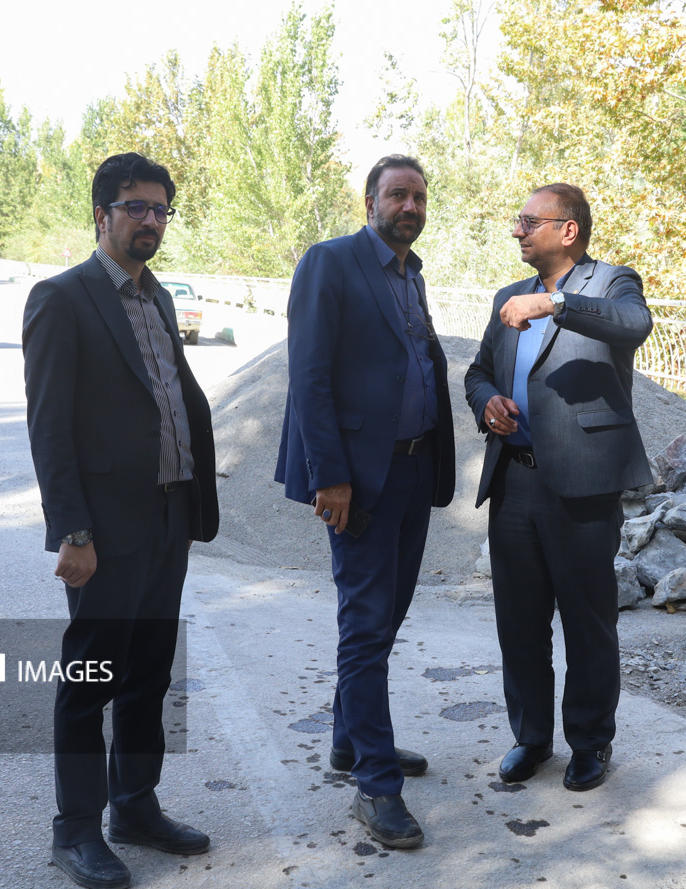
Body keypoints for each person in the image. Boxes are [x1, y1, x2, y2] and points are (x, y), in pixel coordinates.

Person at [23, 152, 220, 889]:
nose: (150, 220)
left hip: (168, 515)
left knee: (148, 673)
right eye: (135, 207)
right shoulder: (61, 298)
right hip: (104, 530)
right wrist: (72, 532)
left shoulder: (157, 296)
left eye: (160, 209)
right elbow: (49, 428)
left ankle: (134, 806)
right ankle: (75, 829)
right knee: (90, 679)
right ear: (101, 214)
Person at [275, 154, 456, 850]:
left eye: (419, 197)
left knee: (385, 618)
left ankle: (352, 740)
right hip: (359, 478)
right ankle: (376, 784)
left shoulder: (411, 275)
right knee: (365, 622)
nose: (409, 206)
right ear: (370, 202)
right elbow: (309, 374)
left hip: (413, 470)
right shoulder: (330, 262)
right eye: (397, 194)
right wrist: (330, 475)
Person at [464, 183, 653, 792]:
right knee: (519, 623)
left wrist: (555, 304)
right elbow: (478, 372)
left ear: (567, 230)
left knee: (587, 622)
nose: (517, 231)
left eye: (529, 221)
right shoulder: (508, 297)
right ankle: (531, 737)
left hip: (584, 486)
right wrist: (486, 401)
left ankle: (590, 742)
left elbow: (635, 325)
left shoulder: (612, 282)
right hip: (514, 481)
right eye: (518, 221)